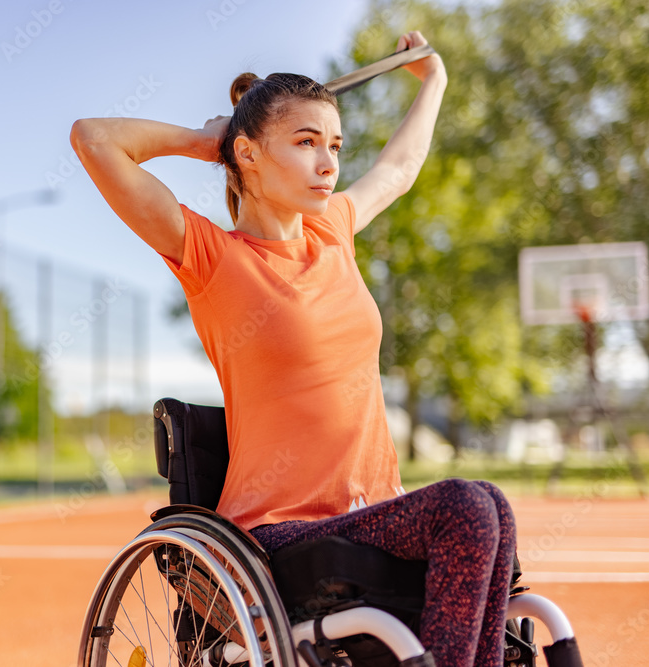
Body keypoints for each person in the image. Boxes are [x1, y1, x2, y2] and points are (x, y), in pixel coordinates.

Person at [71, 31, 516, 667]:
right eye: (306, 143)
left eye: (334, 145)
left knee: (490, 503)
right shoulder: (212, 257)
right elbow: (92, 138)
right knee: (468, 507)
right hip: (279, 534)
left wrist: (434, 77)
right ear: (248, 155)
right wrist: (210, 142)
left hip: (372, 514)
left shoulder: (331, 230)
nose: (328, 164)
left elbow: (398, 168)